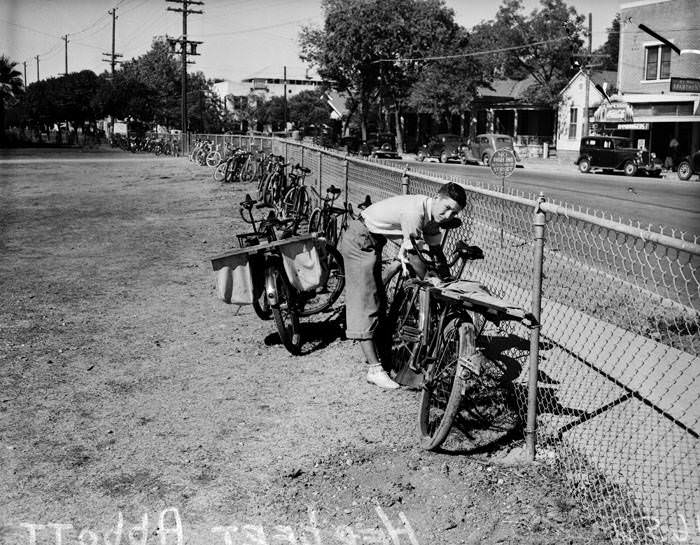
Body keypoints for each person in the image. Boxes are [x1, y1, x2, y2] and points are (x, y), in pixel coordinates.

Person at [339, 182, 467, 389]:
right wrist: (432, 280)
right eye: (446, 208)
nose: (449, 215)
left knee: (377, 299)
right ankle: (374, 369)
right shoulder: (414, 212)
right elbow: (414, 254)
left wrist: (446, 280)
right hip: (359, 238)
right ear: (436, 197)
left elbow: (436, 252)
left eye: (455, 213)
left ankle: (378, 354)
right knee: (366, 301)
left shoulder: (433, 218)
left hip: (374, 240)